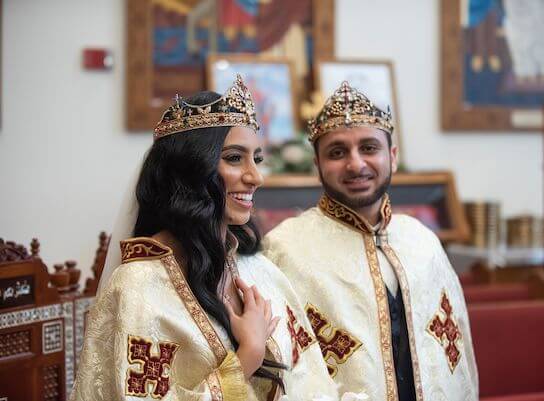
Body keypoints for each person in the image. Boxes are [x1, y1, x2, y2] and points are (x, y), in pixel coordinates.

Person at [70, 76, 349, 401]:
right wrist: (248, 356)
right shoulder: (137, 288)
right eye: (234, 158)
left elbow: (312, 383)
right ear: (190, 169)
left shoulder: (258, 269)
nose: (255, 176)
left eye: (256, 159)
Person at [262, 82, 479, 401]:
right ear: (317, 164)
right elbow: (277, 370)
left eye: (368, 148)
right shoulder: (284, 248)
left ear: (392, 156)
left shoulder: (422, 242)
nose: (356, 164)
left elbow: (459, 359)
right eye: (337, 152)